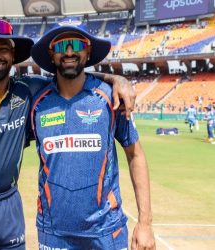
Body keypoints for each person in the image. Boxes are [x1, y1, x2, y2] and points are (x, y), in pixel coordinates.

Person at [0, 19, 136, 250]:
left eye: (3, 50)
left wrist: (117, 79)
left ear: (12, 55)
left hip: (10, 209)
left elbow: (71, 75)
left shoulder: (28, 89)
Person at [29, 24, 155, 249]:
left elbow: (135, 156)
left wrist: (145, 223)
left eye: (77, 45)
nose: (69, 52)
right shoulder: (38, 102)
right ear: (51, 54)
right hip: (53, 232)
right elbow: (4, 137)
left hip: (106, 231)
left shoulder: (111, 97)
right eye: (60, 46)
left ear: (88, 52)